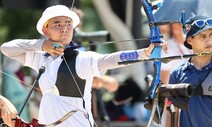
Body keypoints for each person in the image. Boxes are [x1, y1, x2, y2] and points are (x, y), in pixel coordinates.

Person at [0, 5, 167, 127]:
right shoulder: (40, 57)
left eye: (68, 23)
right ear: (46, 30)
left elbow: (112, 59)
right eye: (57, 24)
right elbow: (6, 48)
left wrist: (145, 53)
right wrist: (42, 45)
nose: (64, 28)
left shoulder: (82, 59)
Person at [167, 15, 212, 127]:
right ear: (190, 40)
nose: (209, 40)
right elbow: (171, 111)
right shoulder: (177, 73)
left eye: (211, 35)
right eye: (202, 36)